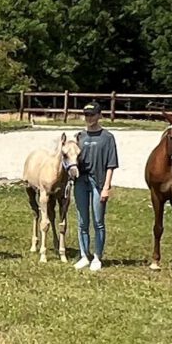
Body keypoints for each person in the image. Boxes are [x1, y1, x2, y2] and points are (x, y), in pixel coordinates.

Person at [74, 103, 120, 272]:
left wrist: (106, 186)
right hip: (81, 182)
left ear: (100, 115)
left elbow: (111, 163)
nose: (89, 118)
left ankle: (97, 256)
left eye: (92, 115)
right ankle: (84, 255)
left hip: (98, 182)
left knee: (98, 221)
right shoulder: (79, 136)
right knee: (82, 221)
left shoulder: (107, 137)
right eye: (86, 115)